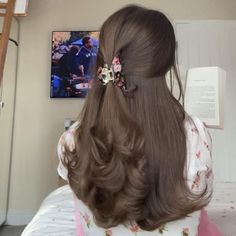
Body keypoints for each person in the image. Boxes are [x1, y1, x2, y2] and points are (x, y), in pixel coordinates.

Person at [57, 5, 221, 236]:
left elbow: (76, 208)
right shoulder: (196, 134)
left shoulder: (73, 139)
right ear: (166, 63)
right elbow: (200, 203)